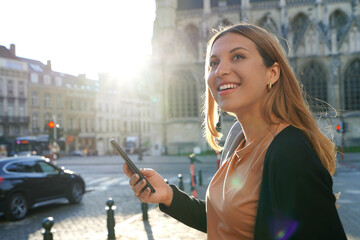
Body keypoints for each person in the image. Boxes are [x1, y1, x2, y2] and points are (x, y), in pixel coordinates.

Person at [123, 23, 347, 239]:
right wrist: (169, 195)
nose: (220, 70)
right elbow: (228, 222)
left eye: (238, 56)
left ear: (273, 73)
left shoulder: (290, 152)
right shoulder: (237, 137)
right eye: (213, 63)